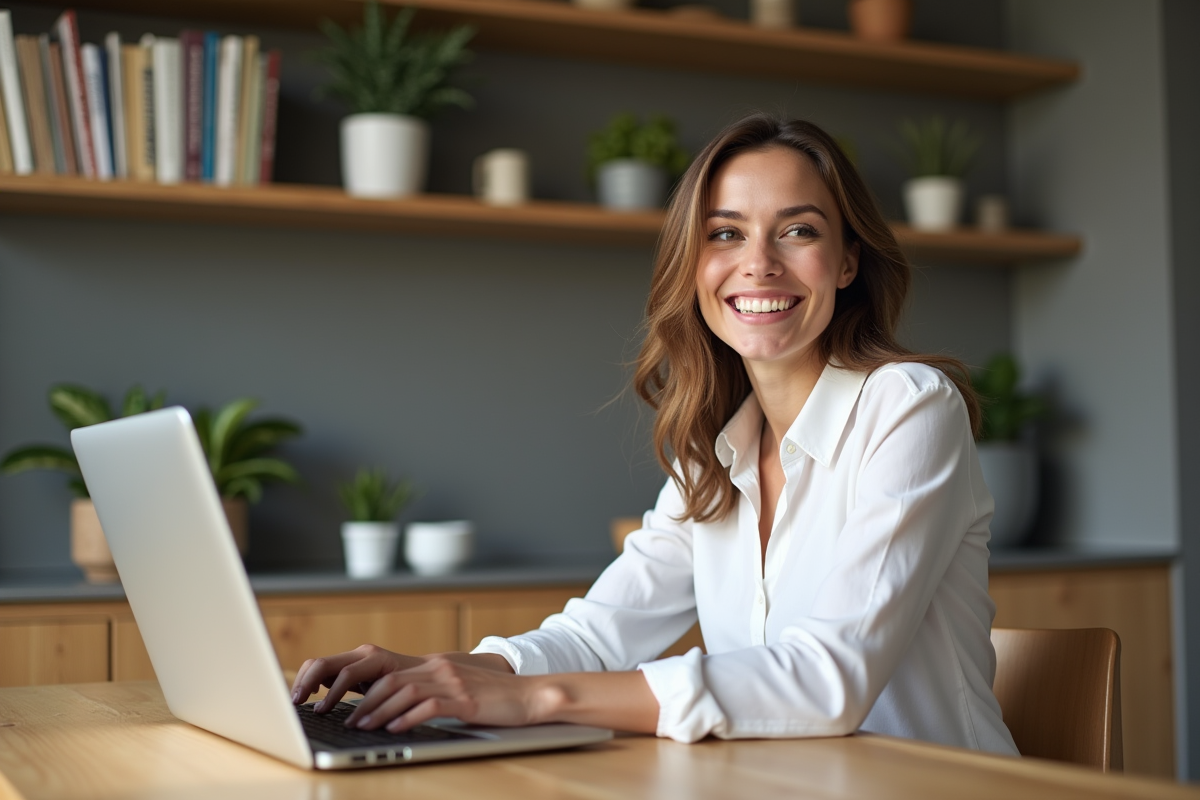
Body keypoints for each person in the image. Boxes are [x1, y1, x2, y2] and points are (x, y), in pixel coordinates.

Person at [291, 113, 1019, 755]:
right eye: (725, 234)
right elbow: (598, 635)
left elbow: (831, 678)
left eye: (798, 231)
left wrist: (535, 700)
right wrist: (438, 673)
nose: (759, 262)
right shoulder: (717, 451)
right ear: (694, 267)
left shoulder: (909, 406)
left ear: (848, 261)